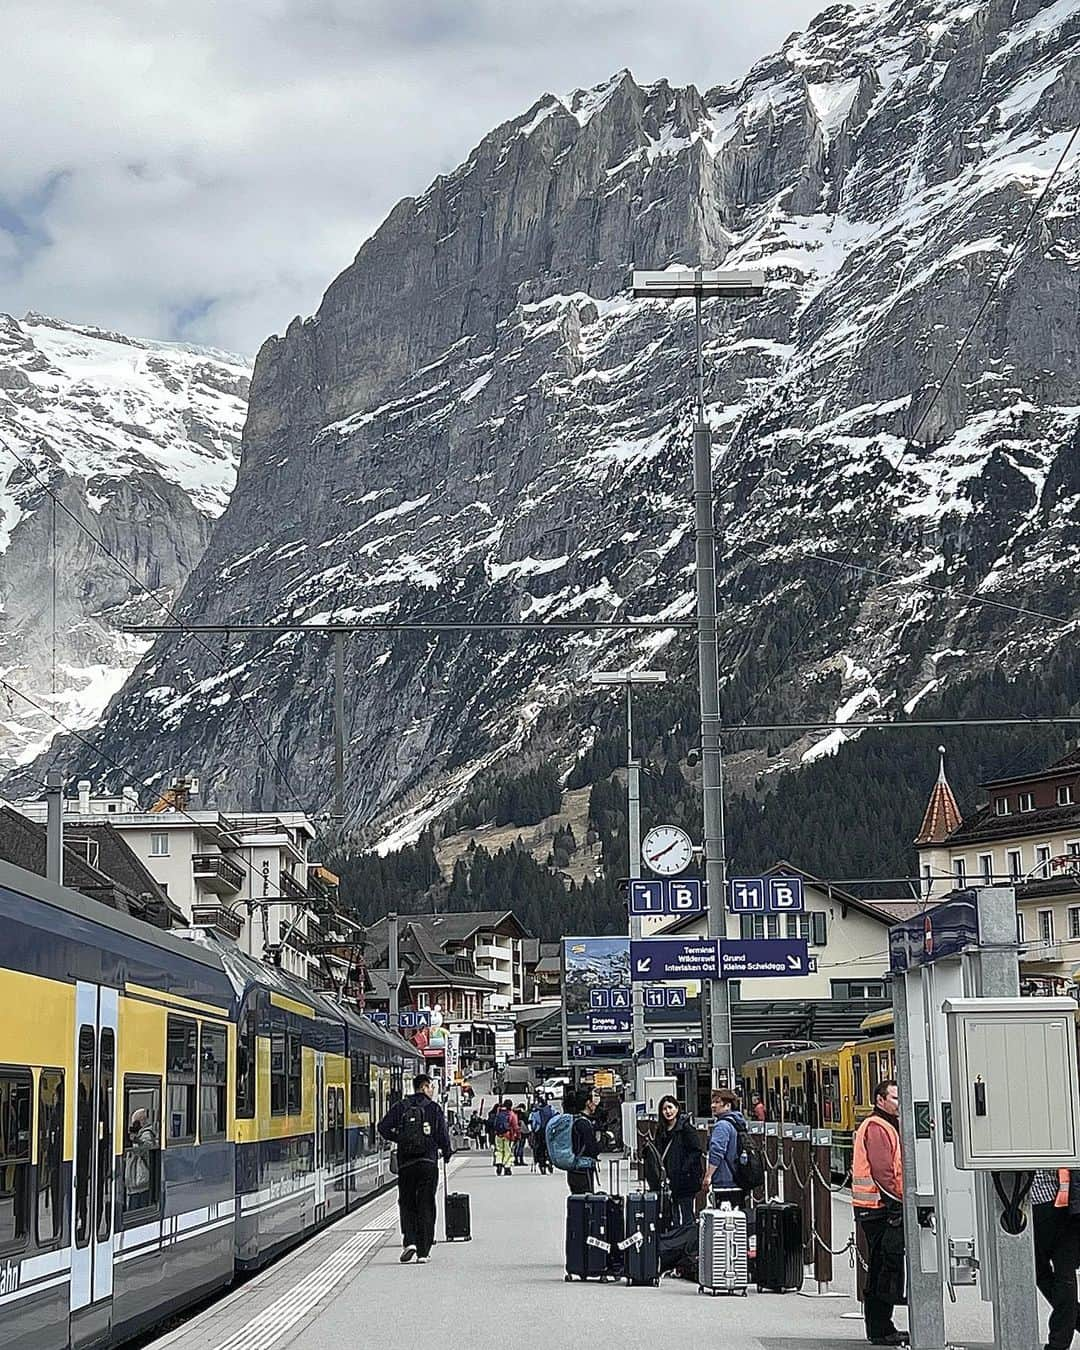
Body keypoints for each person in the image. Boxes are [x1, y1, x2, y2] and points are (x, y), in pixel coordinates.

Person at [852, 1080, 907, 1346]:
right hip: (878, 1208)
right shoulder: (877, 1127)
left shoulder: (886, 1125)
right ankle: (881, 1328)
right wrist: (899, 1199)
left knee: (880, 1267)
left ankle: (881, 1327)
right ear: (880, 1100)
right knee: (884, 1267)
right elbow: (884, 1172)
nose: (899, 1102)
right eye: (894, 1098)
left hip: (876, 1207)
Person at [378, 1072, 452, 1264]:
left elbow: (383, 1127)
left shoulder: (401, 1106)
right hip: (428, 1163)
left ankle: (409, 1241)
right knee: (426, 1203)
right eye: (431, 1087)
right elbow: (443, 1134)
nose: (432, 1091)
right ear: (425, 1087)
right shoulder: (434, 1109)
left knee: (407, 1202)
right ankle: (423, 1251)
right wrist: (447, 1151)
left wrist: (400, 1139)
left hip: (406, 1164)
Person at [1031, 1166, 1080, 1350]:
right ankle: (1060, 1342)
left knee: (1053, 1273)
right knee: (1061, 1274)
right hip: (1066, 1200)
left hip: (1048, 1201)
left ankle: (1058, 1344)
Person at [645, 1095, 705, 1228]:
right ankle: (675, 1241)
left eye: (670, 1107)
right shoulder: (660, 1131)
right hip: (668, 1180)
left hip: (685, 1180)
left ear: (677, 1109)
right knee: (672, 1214)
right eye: (664, 1108)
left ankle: (688, 1242)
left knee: (687, 1212)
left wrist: (684, 1169)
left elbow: (696, 1151)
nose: (668, 1111)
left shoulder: (686, 1129)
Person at [702, 1088, 749, 1208]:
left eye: (717, 1102)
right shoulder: (737, 1123)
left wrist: (708, 1176)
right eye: (712, 1102)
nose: (713, 1105)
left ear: (728, 1105)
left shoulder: (722, 1126)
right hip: (739, 1178)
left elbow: (717, 1152)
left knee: (724, 1222)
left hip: (725, 1180)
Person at [566, 1087, 602, 1195]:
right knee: (585, 1204)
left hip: (574, 1169)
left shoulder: (574, 1120)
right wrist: (604, 1140)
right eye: (593, 1100)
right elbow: (593, 1149)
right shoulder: (584, 1124)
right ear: (588, 1103)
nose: (595, 1104)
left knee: (577, 1203)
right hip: (583, 1170)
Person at [124, 1107, 157, 1211]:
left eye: (136, 1123)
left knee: (138, 1208)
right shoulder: (139, 1134)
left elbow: (143, 1149)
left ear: (142, 1121)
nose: (134, 1126)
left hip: (141, 1182)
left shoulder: (147, 1134)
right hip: (134, 1183)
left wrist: (136, 1140)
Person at [529, 1096, 557, 1175]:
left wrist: (533, 1130)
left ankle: (542, 1164)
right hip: (549, 1131)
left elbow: (533, 1123)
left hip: (539, 1132)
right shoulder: (551, 1110)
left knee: (540, 1148)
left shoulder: (535, 1112)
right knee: (549, 1147)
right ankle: (550, 1161)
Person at [492, 1099, 517, 1176]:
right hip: (508, 1135)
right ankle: (507, 1167)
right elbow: (515, 1126)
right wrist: (516, 1135)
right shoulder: (511, 1114)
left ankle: (498, 1163)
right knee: (508, 1152)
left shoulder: (499, 1113)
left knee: (499, 1150)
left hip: (498, 1135)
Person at [512, 1103, 528, 1168]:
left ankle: (515, 1159)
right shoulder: (523, 1114)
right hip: (522, 1132)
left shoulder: (514, 1113)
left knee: (516, 1146)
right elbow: (527, 1121)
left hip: (515, 1131)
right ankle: (521, 1160)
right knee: (521, 1146)